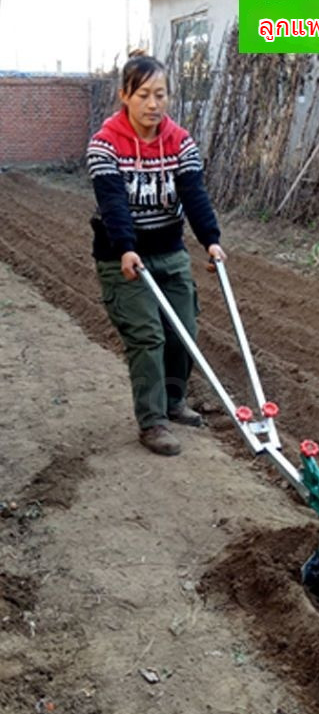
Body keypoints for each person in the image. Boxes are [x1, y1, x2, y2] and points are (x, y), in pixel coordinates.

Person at [87, 51, 226, 456]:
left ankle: (173, 401)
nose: (153, 104)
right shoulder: (104, 145)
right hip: (123, 259)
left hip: (169, 250)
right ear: (125, 96)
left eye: (160, 94)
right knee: (147, 337)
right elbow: (113, 203)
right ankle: (152, 422)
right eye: (144, 94)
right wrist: (126, 248)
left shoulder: (180, 141)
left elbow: (194, 194)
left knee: (184, 332)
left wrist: (211, 240)